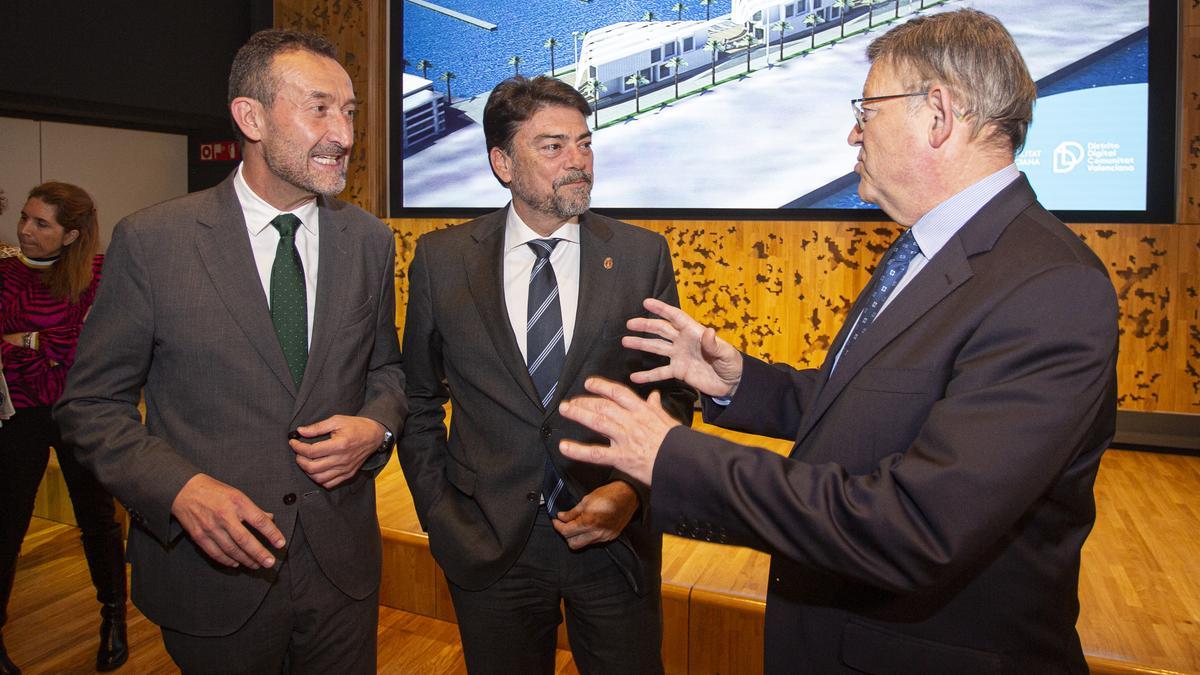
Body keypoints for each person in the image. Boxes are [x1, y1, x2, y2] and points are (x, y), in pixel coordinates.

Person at [556, 9, 1118, 673]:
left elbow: (917, 524)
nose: (853, 131)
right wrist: (740, 381)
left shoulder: (1051, 287)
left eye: (868, 109)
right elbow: (873, 408)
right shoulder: (927, 248)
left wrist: (675, 457)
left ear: (937, 114)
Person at [54, 29, 406, 673]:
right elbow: (90, 405)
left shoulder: (369, 242)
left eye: (350, 111)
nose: (345, 134)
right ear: (251, 116)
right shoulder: (154, 241)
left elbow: (385, 368)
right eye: (319, 107)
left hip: (340, 574)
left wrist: (376, 424)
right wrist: (179, 488)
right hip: (211, 578)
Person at [397, 75, 696, 674]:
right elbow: (418, 400)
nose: (579, 162)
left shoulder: (642, 256)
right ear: (502, 162)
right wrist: (442, 515)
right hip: (488, 542)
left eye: (585, 144)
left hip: (613, 537)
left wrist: (632, 492)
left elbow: (673, 392)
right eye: (554, 147)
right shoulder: (441, 260)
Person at [1, 182, 127, 674]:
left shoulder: (98, 274)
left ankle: (113, 617)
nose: (25, 230)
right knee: (8, 524)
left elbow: (87, 347)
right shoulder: (6, 273)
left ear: (72, 234)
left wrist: (26, 339)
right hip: (20, 413)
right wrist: (51, 346)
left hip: (82, 410)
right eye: (25, 219)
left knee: (98, 519)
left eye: (41, 223)